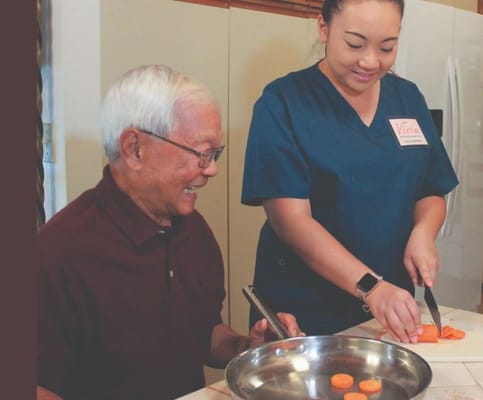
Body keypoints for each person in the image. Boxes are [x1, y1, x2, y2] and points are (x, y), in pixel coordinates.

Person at [37, 64, 301, 400]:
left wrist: (248, 348)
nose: (212, 169)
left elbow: (203, 334)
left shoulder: (195, 232)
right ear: (134, 149)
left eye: (215, 154)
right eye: (201, 153)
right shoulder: (58, 252)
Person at [241, 0, 458, 344]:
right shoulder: (283, 102)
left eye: (387, 46)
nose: (371, 61)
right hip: (305, 310)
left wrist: (423, 232)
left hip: (387, 309)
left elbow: (431, 187)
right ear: (324, 28)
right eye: (355, 44)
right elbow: (290, 220)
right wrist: (370, 286)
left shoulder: (407, 98)